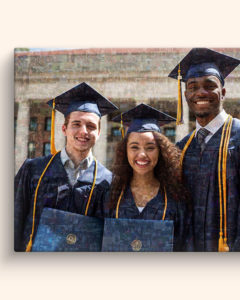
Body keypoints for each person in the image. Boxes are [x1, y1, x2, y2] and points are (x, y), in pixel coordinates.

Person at [168, 48, 240, 251]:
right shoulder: (181, 149)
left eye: (209, 85)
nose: (200, 92)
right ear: (185, 94)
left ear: (223, 92)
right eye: (192, 86)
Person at [14, 82, 118, 251]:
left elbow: (107, 235)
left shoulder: (107, 181)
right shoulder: (33, 170)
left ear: (99, 133)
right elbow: (14, 220)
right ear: (64, 128)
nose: (83, 131)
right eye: (76, 124)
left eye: (91, 126)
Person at [104, 103, 193, 251]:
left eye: (150, 147)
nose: (142, 154)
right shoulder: (111, 196)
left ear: (161, 151)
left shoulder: (176, 200)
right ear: (124, 151)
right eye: (134, 147)